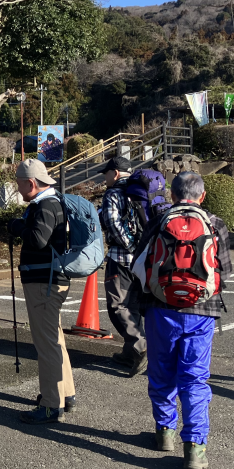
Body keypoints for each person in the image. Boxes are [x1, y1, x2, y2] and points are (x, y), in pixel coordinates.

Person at [134, 172, 232, 469]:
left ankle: (165, 433)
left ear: (173, 195)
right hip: (201, 311)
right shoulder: (214, 224)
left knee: (161, 371)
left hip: (160, 308)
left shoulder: (159, 220)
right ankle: (195, 449)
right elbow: (223, 272)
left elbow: (138, 263)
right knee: (194, 378)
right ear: (202, 196)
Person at [6, 158, 76, 424]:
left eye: (20, 184)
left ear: (31, 183)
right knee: (54, 339)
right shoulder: (54, 202)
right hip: (53, 279)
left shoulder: (45, 205)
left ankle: (50, 404)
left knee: (46, 344)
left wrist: (17, 227)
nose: (19, 189)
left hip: (43, 283)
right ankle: (64, 393)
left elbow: (37, 239)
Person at [99, 155, 147, 375]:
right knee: (135, 304)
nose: (105, 178)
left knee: (118, 305)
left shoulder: (114, 193)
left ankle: (139, 347)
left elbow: (113, 224)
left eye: (107, 173)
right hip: (144, 260)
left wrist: (130, 247)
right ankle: (130, 352)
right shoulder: (141, 192)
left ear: (115, 172)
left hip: (121, 258)